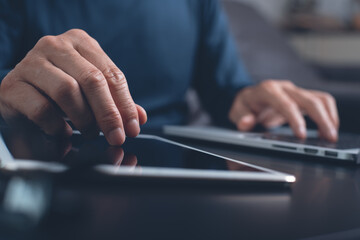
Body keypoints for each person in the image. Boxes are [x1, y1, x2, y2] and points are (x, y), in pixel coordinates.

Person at [0, 0, 339, 146]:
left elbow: (227, 94)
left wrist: (251, 99)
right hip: (57, 161)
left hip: (178, 167)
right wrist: (8, 90)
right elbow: (7, 89)